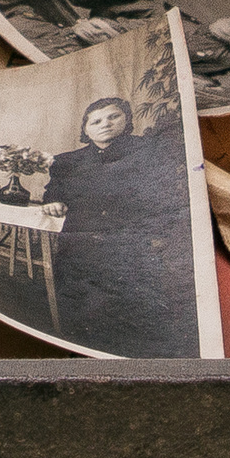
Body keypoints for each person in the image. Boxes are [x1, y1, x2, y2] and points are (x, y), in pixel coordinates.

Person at [41, 96, 198, 356]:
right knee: (78, 307)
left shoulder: (149, 151)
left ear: (127, 120)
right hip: (81, 246)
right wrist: (53, 201)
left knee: (131, 314)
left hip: (131, 245)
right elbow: (53, 190)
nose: (106, 124)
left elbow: (166, 196)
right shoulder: (67, 162)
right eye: (96, 121)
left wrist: (156, 237)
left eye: (113, 117)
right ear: (85, 129)